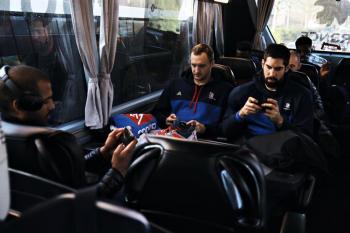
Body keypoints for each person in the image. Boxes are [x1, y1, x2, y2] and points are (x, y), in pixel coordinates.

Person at [0, 65, 136, 197]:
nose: (52, 106)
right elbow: (82, 206)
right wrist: (118, 172)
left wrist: (102, 153)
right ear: (18, 107)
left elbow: (65, 174)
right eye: (45, 101)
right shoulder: (52, 145)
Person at [222, 43, 314, 141]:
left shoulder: (301, 95)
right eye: (268, 67)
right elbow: (223, 131)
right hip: (248, 151)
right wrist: (240, 115)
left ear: (286, 68)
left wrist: (281, 122)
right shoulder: (241, 93)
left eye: (278, 69)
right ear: (262, 64)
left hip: (284, 151)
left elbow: (306, 139)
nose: (272, 73)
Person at [152, 43, 233, 139]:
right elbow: (156, 113)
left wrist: (204, 129)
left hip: (204, 142)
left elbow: (228, 127)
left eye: (201, 66)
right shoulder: (175, 84)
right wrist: (165, 120)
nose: (196, 71)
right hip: (174, 138)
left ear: (212, 64)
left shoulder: (226, 90)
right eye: (193, 65)